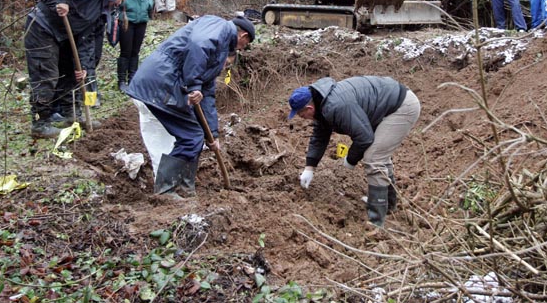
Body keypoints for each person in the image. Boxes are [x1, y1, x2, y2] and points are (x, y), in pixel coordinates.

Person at [125, 15, 255, 196]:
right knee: (192, 136)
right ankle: (166, 191)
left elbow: (207, 96)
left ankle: (185, 187)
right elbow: (198, 43)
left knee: (196, 135)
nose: (242, 48)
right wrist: (194, 85)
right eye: (245, 44)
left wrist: (213, 135)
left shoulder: (217, 54)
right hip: (160, 83)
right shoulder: (221, 27)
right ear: (244, 35)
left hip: (166, 84)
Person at [288, 75, 421, 227]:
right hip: (388, 104)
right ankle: (388, 204)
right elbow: (319, 136)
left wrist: (350, 160)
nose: (302, 118)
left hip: (401, 107)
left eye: (300, 114)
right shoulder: (322, 102)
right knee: (378, 155)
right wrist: (309, 167)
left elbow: (364, 138)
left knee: (374, 158)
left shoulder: (336, 106)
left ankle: (377, 219)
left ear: (309, 108)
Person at [25, 0, 96, 138]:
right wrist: (59, 2)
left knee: (68, 71)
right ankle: (40, 123)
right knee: (46, 75)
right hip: (42, 27)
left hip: (63, 30)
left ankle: (69, 113)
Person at [79, 0, 119, 107]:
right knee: (87, 63)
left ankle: (88, 94)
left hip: (98, 24)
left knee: (95, 59)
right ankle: (90, 98)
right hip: (85, 27)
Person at [114, 0, 155, 92]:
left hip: (141, 20)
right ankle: (121, 81)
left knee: (135, 51)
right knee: (126, 51)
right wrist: (127, 5)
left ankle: (133, 78)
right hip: (127, 20)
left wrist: (148, 5)